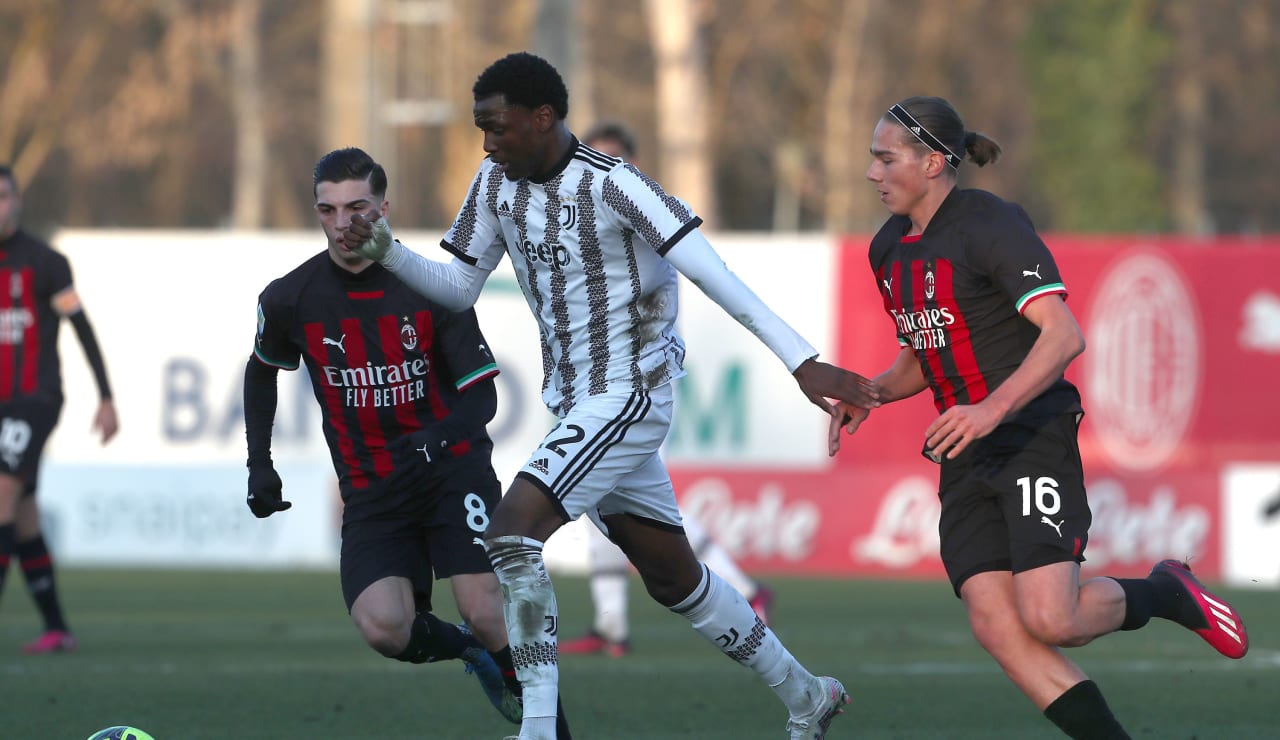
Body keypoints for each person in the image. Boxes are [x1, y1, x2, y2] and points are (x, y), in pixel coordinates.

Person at [344, 52, 880, 740]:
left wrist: (802, 361)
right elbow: (459, 288)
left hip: (629, 395)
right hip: (576, 403)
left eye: (497, 127)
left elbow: (717, 278)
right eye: (482, 128)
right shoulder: (495, 181)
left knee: (511, 535)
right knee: (674, 578)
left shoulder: (618, 187)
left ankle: (538, 729)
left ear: (543, 119)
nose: (487, 143)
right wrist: (388, 249)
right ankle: (807, 694)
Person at [830, 96, 1250, 739]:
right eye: (873, 159)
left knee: (1053, 620)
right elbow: (927, 351)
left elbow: (1062, 336)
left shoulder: (990, 224)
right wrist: (875, 391)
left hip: (1029, 432)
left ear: (936, 162)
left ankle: (1168, 593)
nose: (872, 173)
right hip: (965, 447)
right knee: (997, 624)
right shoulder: (888, 249)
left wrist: (992, 409)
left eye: (885, 159)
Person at [243, 147, 572, 734]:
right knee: (385, 627)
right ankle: (471, 654)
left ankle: (550, 727)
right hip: (372, 489)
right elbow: (261, 369)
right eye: (329, 210)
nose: (345, 224)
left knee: (488, 609)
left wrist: (435, 440)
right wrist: (259, 465)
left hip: (453, 475)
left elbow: (481, 398)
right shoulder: (291, 298)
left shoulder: (427, 287)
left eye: (357, 207)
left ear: (384, 207)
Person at [558, 121, 772, 659]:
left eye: (610, 160)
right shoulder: (576, 219)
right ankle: (612, 626)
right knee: (602, 502)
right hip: (590, 384)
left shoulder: (639, 215)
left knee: (639, 506)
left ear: (629, 164)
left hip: (636, 385)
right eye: (592, 158)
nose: (598, 172)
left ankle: (741, 592)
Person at [0, 165, 118, 654]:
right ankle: (57, 629)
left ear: (18, 199)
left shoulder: (46, 262)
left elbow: (81, 327)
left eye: (3, 197)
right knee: (23, 517)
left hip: (35, 400)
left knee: (0, 500)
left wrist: (106, 396)